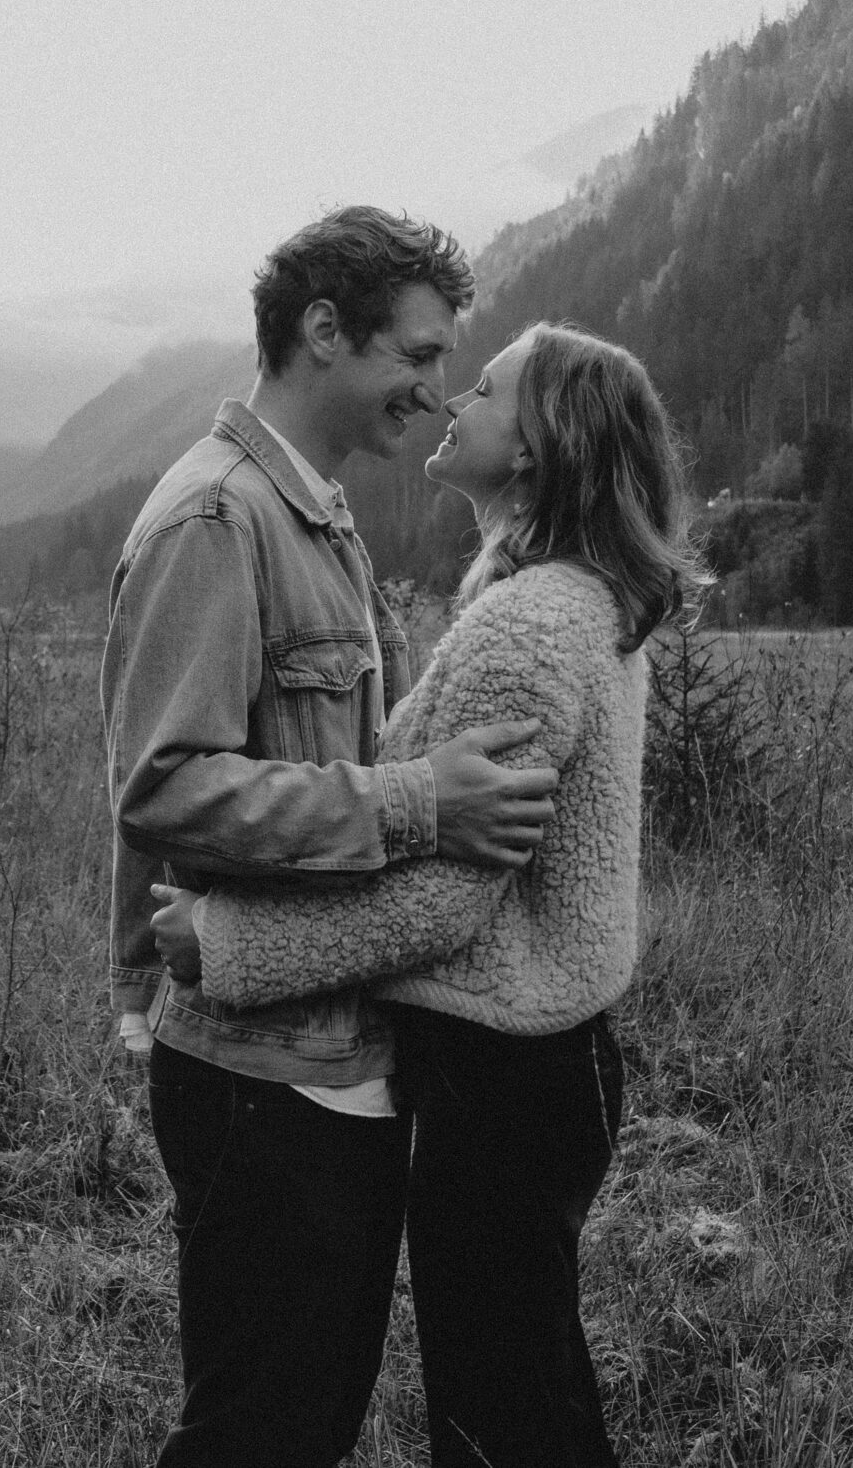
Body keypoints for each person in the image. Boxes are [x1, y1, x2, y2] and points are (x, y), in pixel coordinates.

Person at [154, 321, 708, 1468]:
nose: (455, 399)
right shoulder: (580, 600)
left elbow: (446, 901)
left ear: (536, 447)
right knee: (532, 1385)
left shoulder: (527, 623)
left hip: (502, 1075)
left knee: (498, 1410)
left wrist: (226, 941)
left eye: (488, 390)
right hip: (549, 1063)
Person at [101, 207, 564, 1468]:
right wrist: (419, 803)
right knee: (259, 1435)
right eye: (415, 354)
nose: (436, 387)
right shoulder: (216, 521)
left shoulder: (316, 514)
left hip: (335, 1052)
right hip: (263, 1076)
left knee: (301, 1427)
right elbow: (165, 789)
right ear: (322, 331)